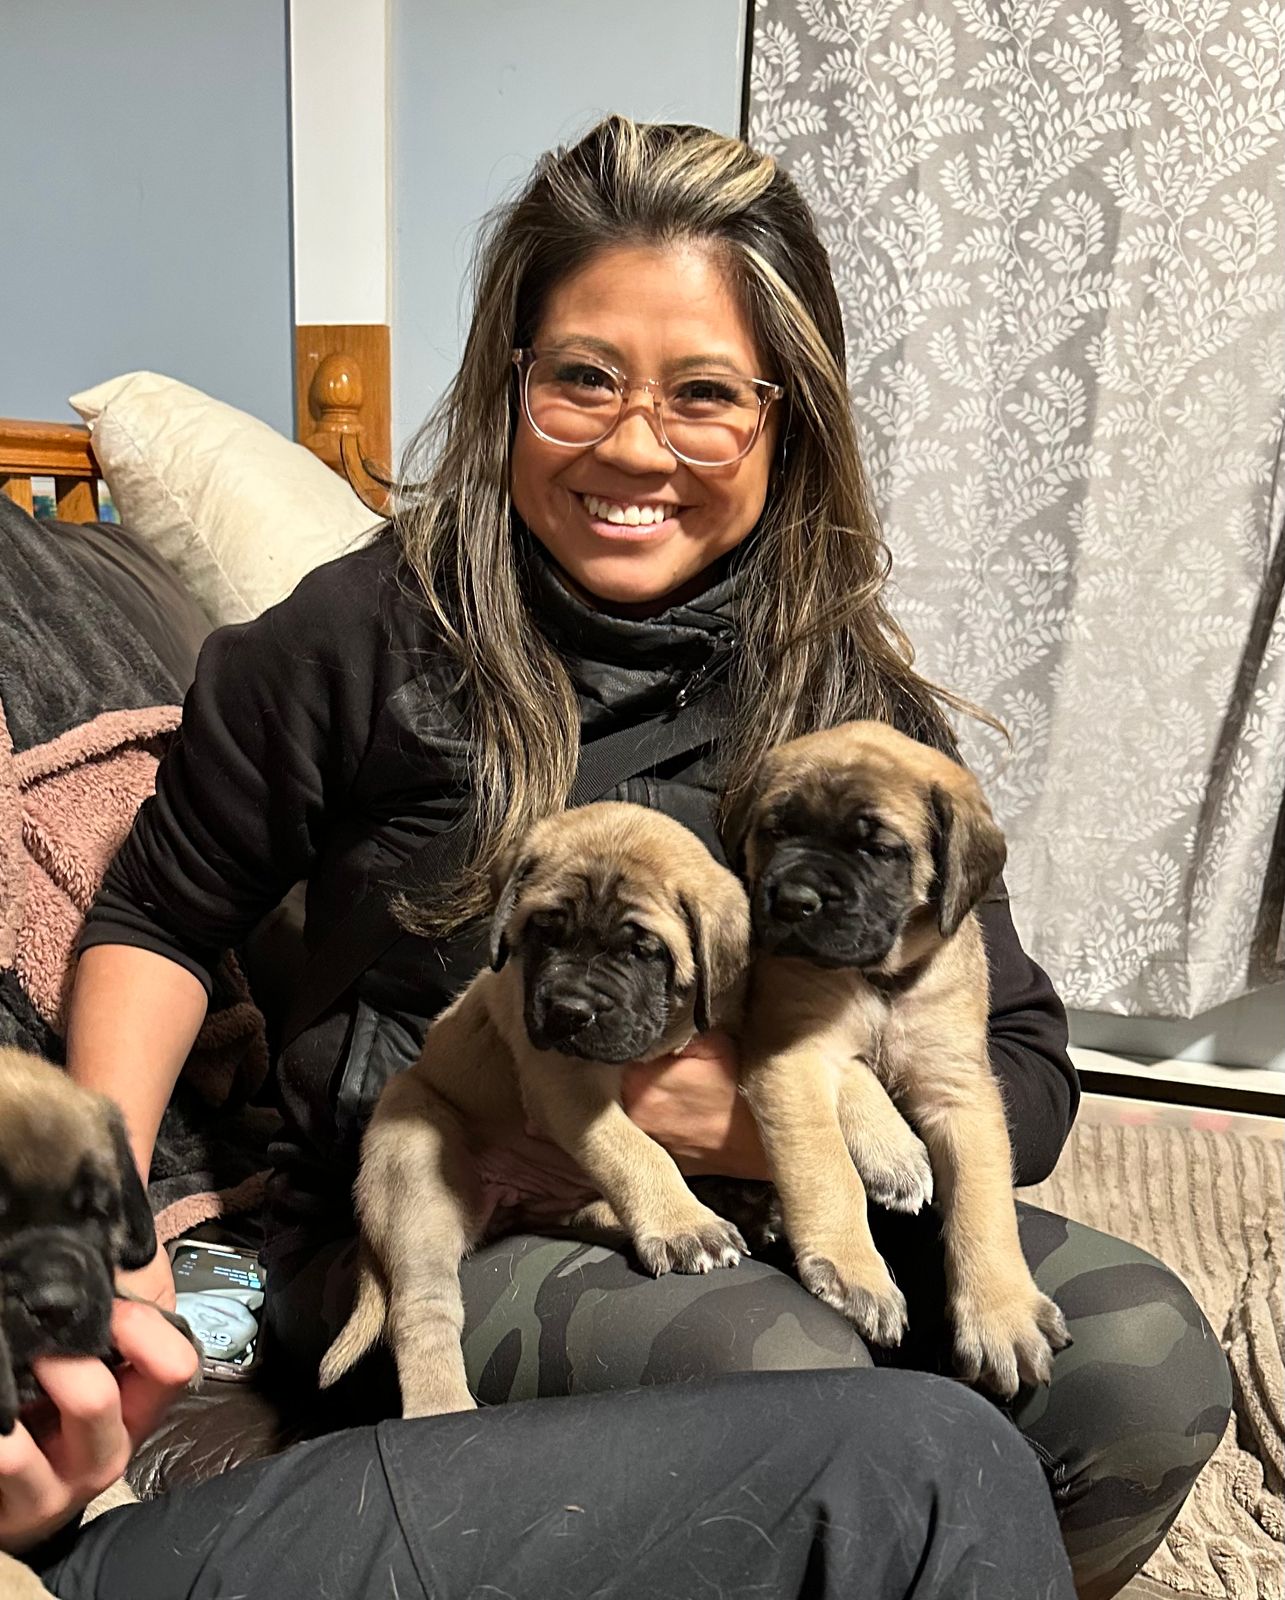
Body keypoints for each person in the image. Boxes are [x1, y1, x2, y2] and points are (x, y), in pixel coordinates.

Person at [4, 116, 1227, 1597]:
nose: (634, 446)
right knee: (800, 1389)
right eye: (582, 377)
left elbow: (1016, 1062)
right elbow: (157, 914)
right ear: (509, 380)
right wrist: (103, 1216)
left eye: (704, 395)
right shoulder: (358, 638)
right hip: (468, 1196)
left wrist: (758, 1122)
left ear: (785, 420)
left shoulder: (844, 698)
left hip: (777, 1185)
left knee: (1145, 1371)